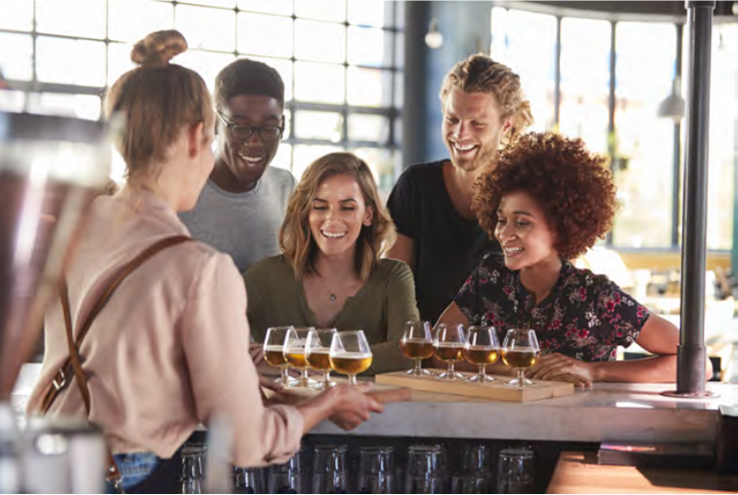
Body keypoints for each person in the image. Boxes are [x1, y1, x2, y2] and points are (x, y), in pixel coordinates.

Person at [26, 31, 382, 494]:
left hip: (44, 462)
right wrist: (327, 403)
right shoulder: (200, 269)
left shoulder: (76, 226)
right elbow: (245, 439)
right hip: (127, 475)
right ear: (200, 135)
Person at [437, 132, 705, 386]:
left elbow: (696, 364)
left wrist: (593, 370)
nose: (504, 233)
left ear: (561, 226)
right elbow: (436, 351)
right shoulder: (489, 278)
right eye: (501, 220)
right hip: (496, 426)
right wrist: (524, 369)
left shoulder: (597, 296)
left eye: (521, 223)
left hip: (577, 429)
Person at [386, 54, 534, 324]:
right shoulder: (416, 186)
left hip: (501, 359)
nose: (460, 134)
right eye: (452, 119)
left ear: (506, 126)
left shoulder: (530, 196)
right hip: (425, 352)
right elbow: (395, 287)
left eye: (477, 124)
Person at [244, 152, 419, 375]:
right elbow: (207, 336)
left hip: (372, 410)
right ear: (306, 212)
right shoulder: (264, 276)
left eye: (347, 208)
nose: (332, 220)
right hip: (287, 409)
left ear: (367, 214)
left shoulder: (394, 277)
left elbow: (405, 354)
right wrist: (243, 354)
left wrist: (301, 356)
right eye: (320, 206)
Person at [179, 58, 295, 273]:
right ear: (214, 123)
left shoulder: (286, 187)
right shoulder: (178, 195)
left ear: (283, 125)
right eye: (240, 127)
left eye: (269, 128)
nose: (255, 141)